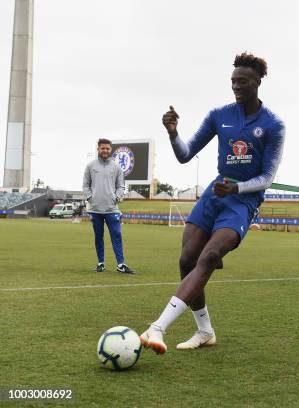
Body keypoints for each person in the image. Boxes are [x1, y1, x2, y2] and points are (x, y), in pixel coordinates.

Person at [140, 52, 285, 354]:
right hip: (215, 194)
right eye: (233, 81)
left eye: (242, 81)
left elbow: (268, 177)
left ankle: (157, 328)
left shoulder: (273, 125)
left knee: (208, 256)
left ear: (258, 82)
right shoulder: (218, 115)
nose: (236, 86)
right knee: (186, 261)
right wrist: (173, 133)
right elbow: (185, 154)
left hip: (242, 202)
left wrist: (238, 188)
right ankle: (205, 331)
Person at [82, 138, 135, 274]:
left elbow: (121, 186)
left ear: (110, 150)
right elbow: (85, 185)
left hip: (112, 209)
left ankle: (121, 265)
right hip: (95, 209)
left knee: (116, 235)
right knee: (98, 237)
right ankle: (101, 264)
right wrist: (90, 198)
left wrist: (116, 197)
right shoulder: (90, 166)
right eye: (102, 148)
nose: (105, 150)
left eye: (107, 148)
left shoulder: (117, 167)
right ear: (98, 149)